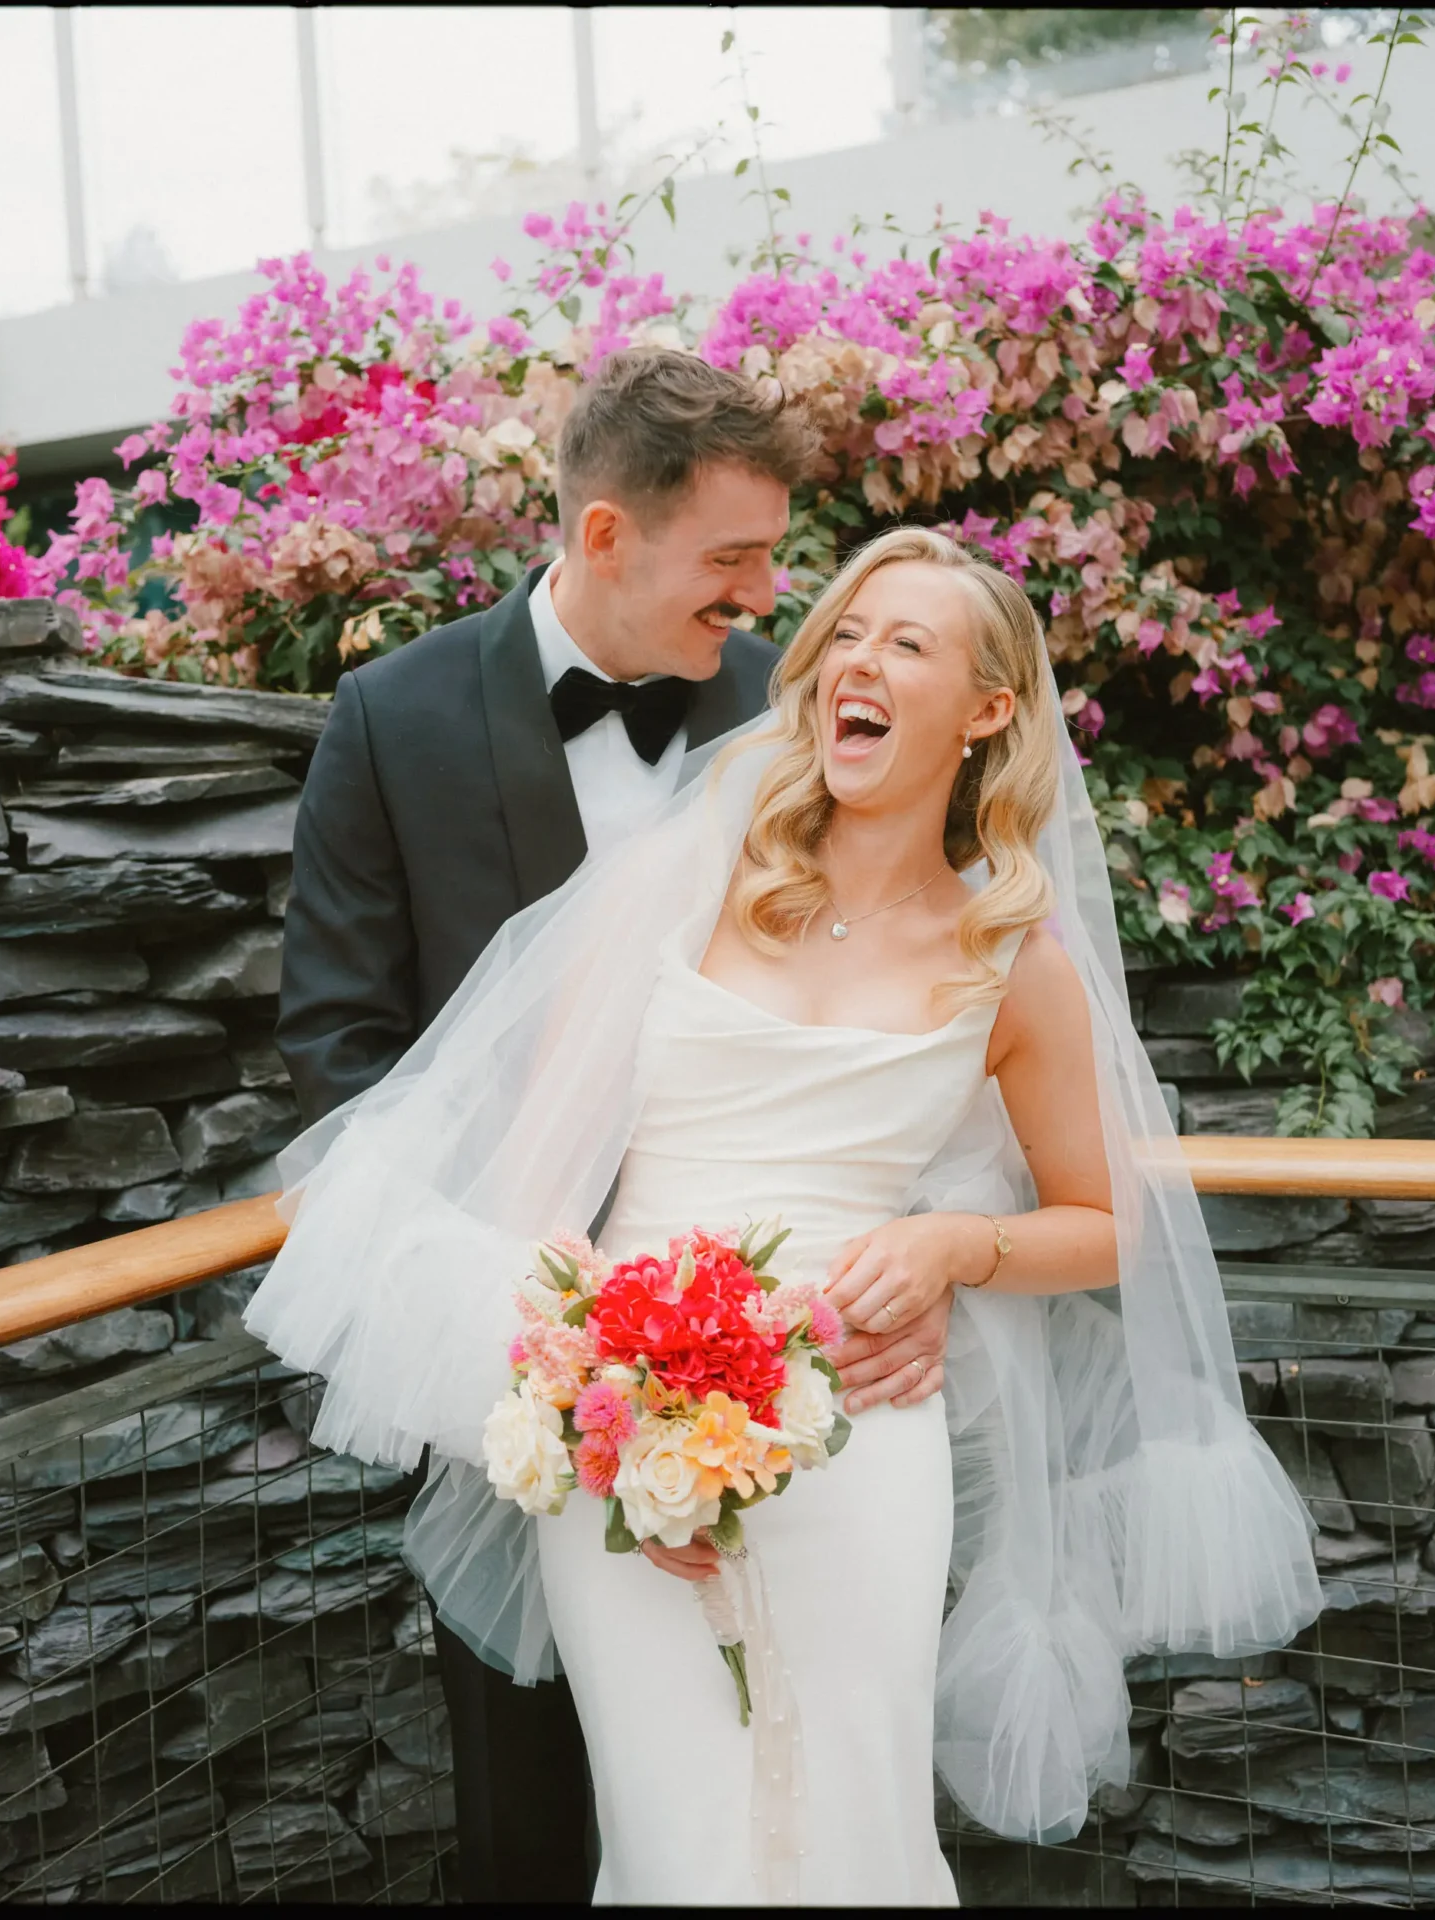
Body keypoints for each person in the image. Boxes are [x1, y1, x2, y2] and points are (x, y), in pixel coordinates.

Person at [253, 527, 1322, 1906]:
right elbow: (531, 1195)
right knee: (675, 1842)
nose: (857, 662)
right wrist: (613, 1433)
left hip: (857, 1437)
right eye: (848, 635)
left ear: (989, 711)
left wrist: (957, 1247)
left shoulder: (1016, 962)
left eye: (908, 643)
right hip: (622, 1437)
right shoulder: (677, 879)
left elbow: (1105, 1219)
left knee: (851, 1827)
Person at [272, 351, 956, 1903]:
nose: (764, 592)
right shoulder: (396, 717)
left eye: (773, 554)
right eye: (731, 558)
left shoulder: (798, 709)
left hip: (780, 1356)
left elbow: (903, 1006)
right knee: (522, 1789)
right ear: (601, 538)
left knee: (798, 1765)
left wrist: (936, 1260)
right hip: (524, 1344)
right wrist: (534, 1312)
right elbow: (339, 1046)